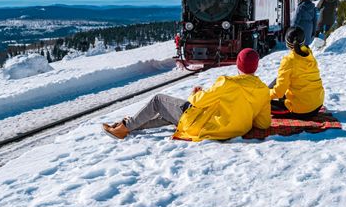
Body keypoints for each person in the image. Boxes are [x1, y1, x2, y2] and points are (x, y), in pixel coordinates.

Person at [102, 48, 272, 141]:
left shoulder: (228, 83)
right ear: (256, 66)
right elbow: (264, 123)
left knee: (158, 100)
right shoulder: (263, 90)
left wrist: (196, 93)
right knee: (170, 115)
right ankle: (126, 126)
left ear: (238, 65)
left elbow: (197, 101)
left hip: (209, 126)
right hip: (235, 129)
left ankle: (124, 127)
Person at [270, 26, 324, 118]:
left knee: (262, 104)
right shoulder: (309, 54)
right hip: (317, 103)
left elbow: (278, 92)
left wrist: (263, 95)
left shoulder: (288, 61)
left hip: (302, 111)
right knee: (279, 80)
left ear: (287, 43)